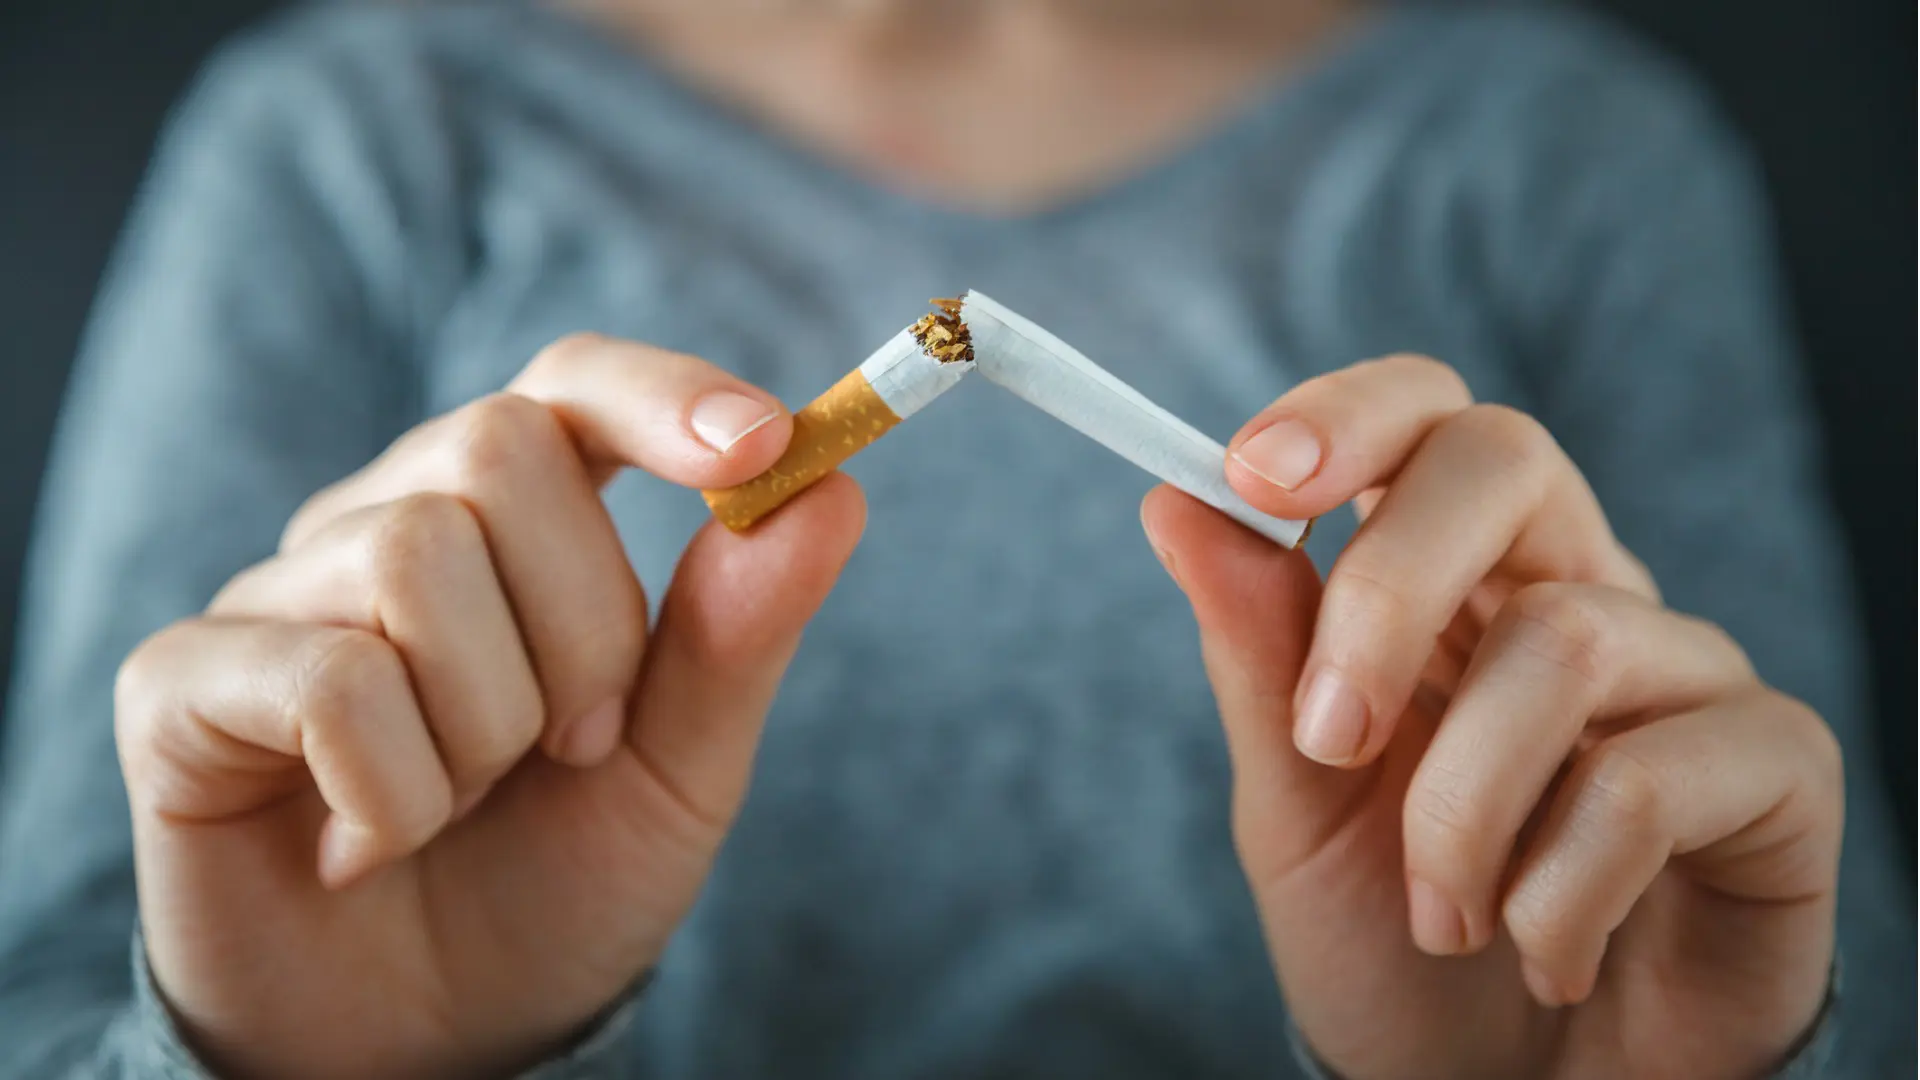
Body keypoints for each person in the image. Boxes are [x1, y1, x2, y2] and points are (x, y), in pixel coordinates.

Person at [0, 0, 1909, 1076]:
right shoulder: (363, 134)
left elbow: (1822, 955)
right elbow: (62, 994)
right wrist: (281, 1070)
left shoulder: (1557, 147)